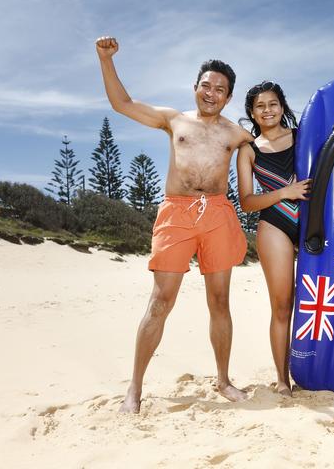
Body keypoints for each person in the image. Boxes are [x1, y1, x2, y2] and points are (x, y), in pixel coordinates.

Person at [95, 36, 255, 412]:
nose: (211, 93)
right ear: (195, 87)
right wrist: (105, 60)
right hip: (176, 214)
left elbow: (276, 146)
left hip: (217, 214)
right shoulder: (174, 120)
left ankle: (224, 379)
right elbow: (122, 104)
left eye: (220, 89)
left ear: (228, 97)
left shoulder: (236, 133)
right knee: (159, 302)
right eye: (206, 86)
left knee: (219, 302)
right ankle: (134, 388)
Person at [236, 81, 311, 395]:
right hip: (274, 226)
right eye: (260, 106)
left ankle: (317, 366)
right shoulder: (248, 150)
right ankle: (283, 379)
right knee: (283, 305)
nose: (267, 110)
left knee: (315, 301)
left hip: (312, 223)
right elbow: (247, 202)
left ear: (282, 106)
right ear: (252, 113)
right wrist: (286, 192)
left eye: (273, 104)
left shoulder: (302, 136)